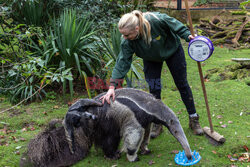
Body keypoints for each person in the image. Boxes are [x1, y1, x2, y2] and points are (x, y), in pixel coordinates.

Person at [100, 10, 204, 137]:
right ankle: (157, 122)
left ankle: (193, 119)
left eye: (127, 35)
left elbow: (175, 25)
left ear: (137, 28)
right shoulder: (127, 42)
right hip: (150, 58)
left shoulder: (156, 20)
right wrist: (112, 87)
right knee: (154, 90)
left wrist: (188, 36)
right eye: (123, 35)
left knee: (182, 84)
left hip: (172, 51)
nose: (124, 38)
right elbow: (122, 63)